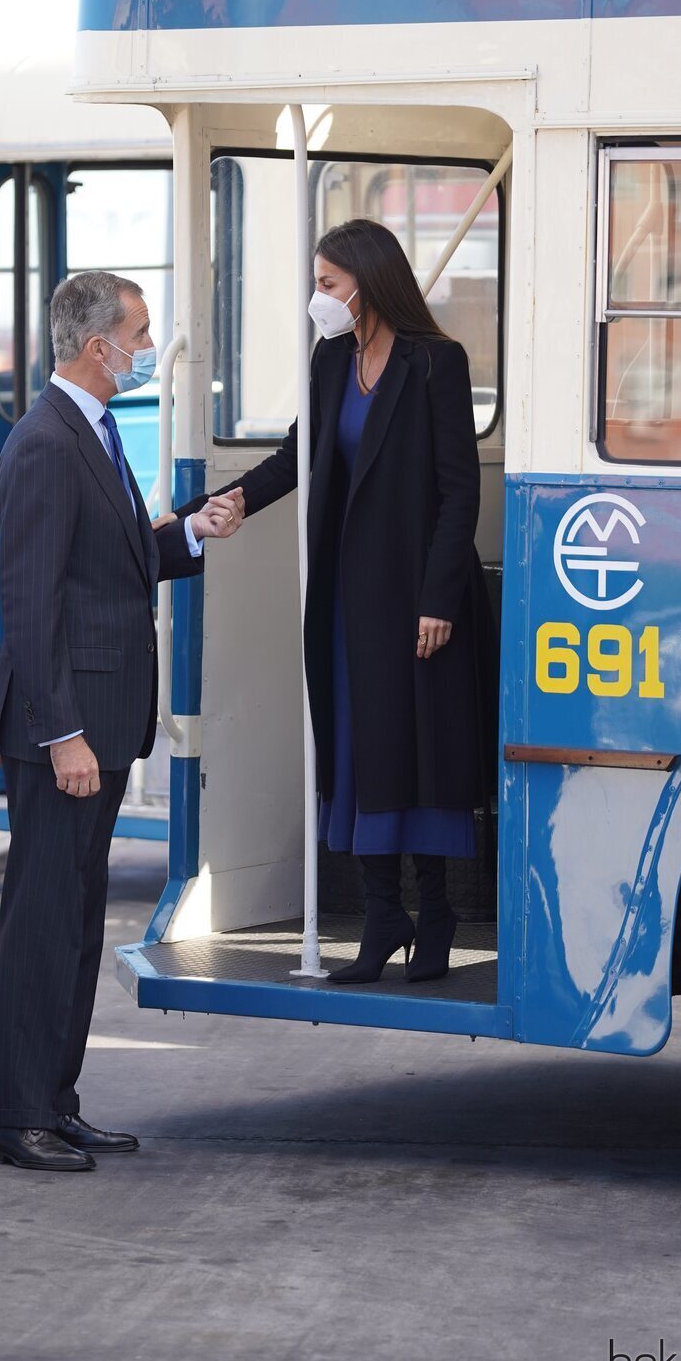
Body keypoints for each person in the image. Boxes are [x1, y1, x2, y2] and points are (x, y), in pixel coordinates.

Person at [174, 218, 496, 985]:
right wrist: (228, 502)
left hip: (419, 598)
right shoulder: (330, 360)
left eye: (326, 284)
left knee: (417, 752)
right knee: (360, 746)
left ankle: (436, 911)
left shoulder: (434, 363)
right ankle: (384, 915)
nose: (317, 299)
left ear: (366, 282)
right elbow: (298, 457)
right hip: (351, 597)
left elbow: (461, 491)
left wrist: (439, 598)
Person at [0, 270, 244, 1173]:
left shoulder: (88, 432)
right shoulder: (47, 444)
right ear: (97, 348)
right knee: (42, 925)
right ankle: (14, 1116)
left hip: (98, 720)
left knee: (78, 924)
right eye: (137, 336)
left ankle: (56, 1102)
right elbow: (29, 599)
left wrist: (194, 532)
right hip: (69, 731)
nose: (144, 351)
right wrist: (61, 735)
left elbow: (118, 564)